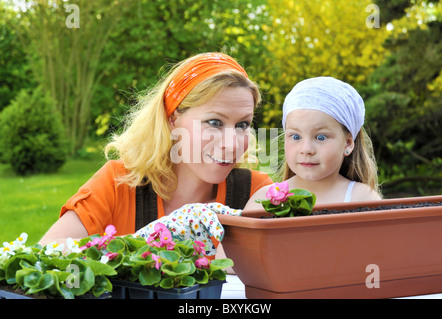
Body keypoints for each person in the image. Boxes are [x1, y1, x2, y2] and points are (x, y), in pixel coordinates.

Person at [39, 52, 273, 249]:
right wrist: (149, 243)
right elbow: (47, 253)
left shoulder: (256, 192)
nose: (232, 144)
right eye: (214, 122)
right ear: (173, 119)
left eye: (242, 125)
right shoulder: (119, 183)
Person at [245, 76, 381, 209]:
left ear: (348, 143)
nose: (306, 149)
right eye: (296, 137)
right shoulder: (263, 201)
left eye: (321, 137)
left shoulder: (363, 199)